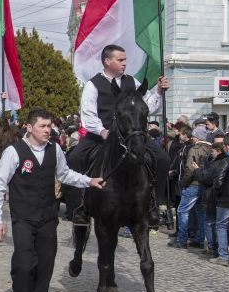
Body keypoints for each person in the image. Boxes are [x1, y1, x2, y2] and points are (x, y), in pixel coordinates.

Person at [0, 109, 104, 292]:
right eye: (42, 126)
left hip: (48, 220)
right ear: (29, 127)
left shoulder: (55, 150)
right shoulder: (13, 152)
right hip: (23, 218)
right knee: (24, 267)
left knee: (44, 268)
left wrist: (89, 181)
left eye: (49, 126)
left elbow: (65, 174)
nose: (47, 130)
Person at [69, 44, 169, 226]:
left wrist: (159, 92)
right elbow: (88, 115)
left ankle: (155, 204)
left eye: (125, 60)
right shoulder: (93, 85)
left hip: (132, 134)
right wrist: (102, 131)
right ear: (107, 61)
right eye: (120, 60)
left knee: (161, 158)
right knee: (75, 158)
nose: (124, 63)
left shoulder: (133, 82)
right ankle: (80, 207)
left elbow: (149, 106)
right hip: (102, 135)